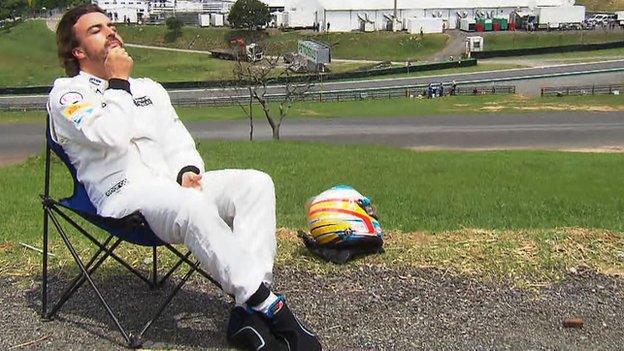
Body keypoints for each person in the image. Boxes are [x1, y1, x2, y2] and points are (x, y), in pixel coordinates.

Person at [47, 5, 321, 351]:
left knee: (256, 183)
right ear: (77, 50)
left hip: (173, 189)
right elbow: (111, 134)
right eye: (97, 29)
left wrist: (186, 169)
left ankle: (246, 312)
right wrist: (117, 83)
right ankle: (272, 307)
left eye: (112, 25)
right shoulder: (68, 94)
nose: (112, 32)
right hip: (126, 197)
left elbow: (177, 140)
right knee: (189, 204)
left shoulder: (149, 89)